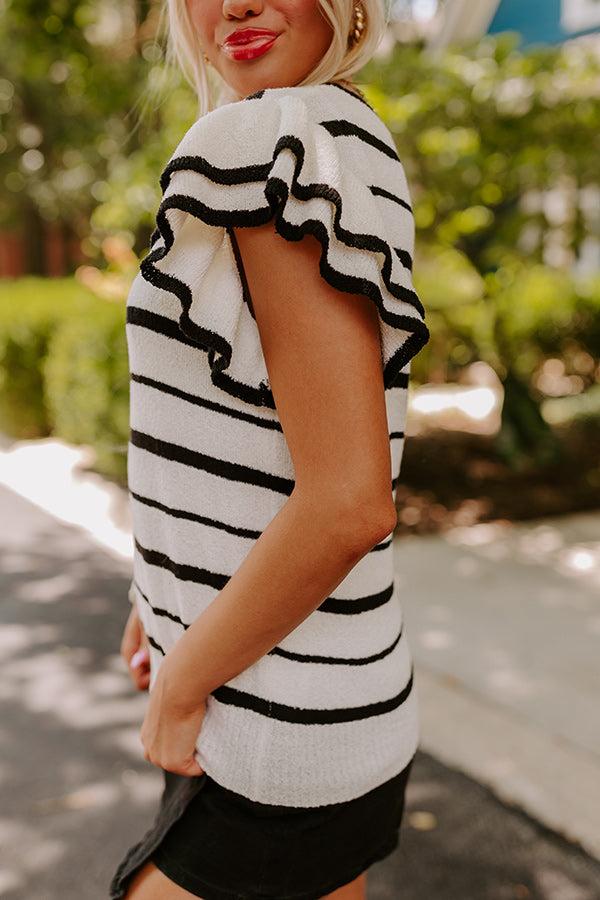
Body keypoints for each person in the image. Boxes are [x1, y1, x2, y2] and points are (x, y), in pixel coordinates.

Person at [109, 0, 430, 897]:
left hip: (265, 731)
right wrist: (160, 587)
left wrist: (183, 687)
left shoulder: (263, 139)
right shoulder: (348, 134)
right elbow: (249, 428)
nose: (235, 4)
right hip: (342, 711)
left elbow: (347, 501)